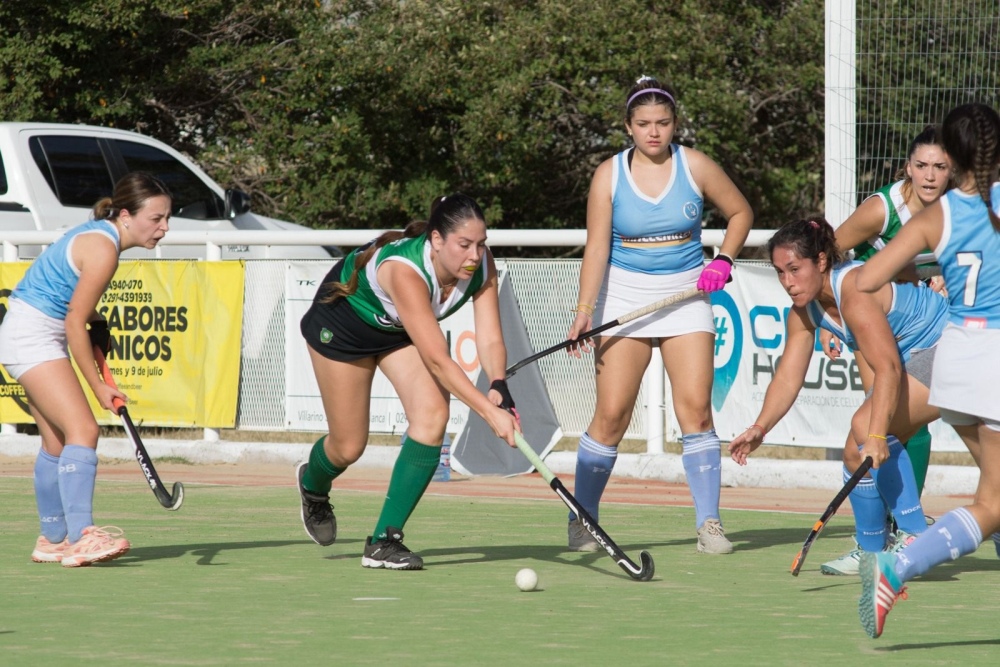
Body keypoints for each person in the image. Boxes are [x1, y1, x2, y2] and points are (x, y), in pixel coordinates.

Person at [565, 75, 753, 554]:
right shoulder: (608, 174)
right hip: (624, 297)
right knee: (611, 415)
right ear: (628, 126)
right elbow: (597, 247)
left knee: (695, 409)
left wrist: (723, 261)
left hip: (686, 296)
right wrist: (585, 309)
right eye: (644, 124)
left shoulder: (695, 165)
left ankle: (709, 524)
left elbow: (741, 214)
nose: (654, 132)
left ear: (674, 124)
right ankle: (582, 518)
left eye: (663, 123)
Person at [296, 193, 521, 570]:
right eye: (464, 245)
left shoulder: (481, 266)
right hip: (342, 326)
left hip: (396, 330)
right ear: (436, 240)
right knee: (348, 446)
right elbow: (437, 360)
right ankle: (313, 485)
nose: (474, 255)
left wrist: (498, 383)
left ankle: (384, 540)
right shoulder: (405, 271)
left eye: (481, 244)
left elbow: (491, 338)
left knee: (433, 415)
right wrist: (487, 412)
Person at [853, 102, 1000, 639]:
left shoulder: (934, 218)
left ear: (952, 156)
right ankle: (899, 565)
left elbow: (864, 281)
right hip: (996, 360)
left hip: (954, 357)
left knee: (995, 495)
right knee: (994, 502)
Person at [728, 218, 948, 572]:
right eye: (780, 272)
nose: (787, 282)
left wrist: (877, 436)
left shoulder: (855, 291)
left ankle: (916, 536)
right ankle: (872, 551)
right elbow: (787, 377)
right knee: (852, 453)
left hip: (953, 347)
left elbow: (888, 368)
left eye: (795, 269)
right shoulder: (805, 311)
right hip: (915, 358)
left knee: (866, 428)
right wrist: (760, 427)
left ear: (820, 261)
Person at [0, 172, 172, 567]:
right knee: (85, 429)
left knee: (57, 444)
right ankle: (82, 537)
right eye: (156, 218)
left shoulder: (100, 235)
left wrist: (97, 321)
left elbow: (76, 305)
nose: (164, 228)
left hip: (28, 331)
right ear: (126, 215)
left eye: (167, 218)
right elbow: (74, 321)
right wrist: (97, 386)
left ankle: (54, 538)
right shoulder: (103, 249)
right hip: (34, 336)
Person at [817, 125, 951, 574]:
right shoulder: (882, 210)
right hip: (880, 322)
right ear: (907, 168)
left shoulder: (965, 210)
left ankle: (905, 532)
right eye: (922, 166)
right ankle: (889, 537)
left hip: (937, 324)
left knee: (902, 426)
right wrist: (827, 317)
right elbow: (828, 252)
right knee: (878, 426)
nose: (930, 176)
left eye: (941, 167)